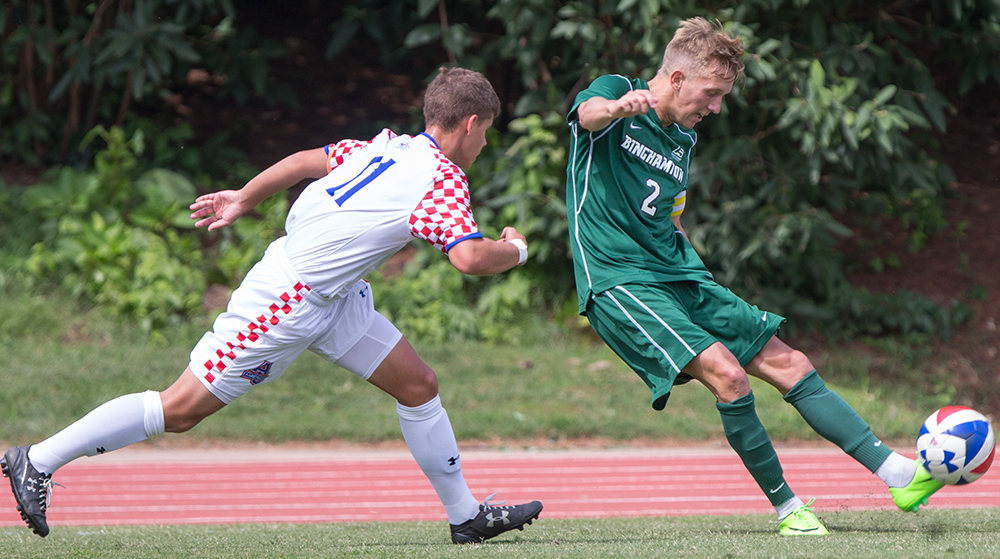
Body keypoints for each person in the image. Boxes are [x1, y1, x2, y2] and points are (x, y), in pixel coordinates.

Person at [2, 67, 542, 544]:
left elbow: (310, 159)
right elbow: (471, 259)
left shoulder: (388, 145)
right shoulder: (441, 179)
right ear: (471, 123)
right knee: (181, 409)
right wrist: (515, 249)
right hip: (288, 298)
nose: (484, 145)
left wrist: (245, 196)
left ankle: (466, 517)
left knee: (418, 385)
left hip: (335, 294)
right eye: (487, 133)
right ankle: (38, 460)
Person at [564, 17, 942, 536]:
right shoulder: (618, 93)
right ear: (676, 79)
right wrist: (615, 109)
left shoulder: (683, 140)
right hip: (618, 280)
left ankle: (900, 475)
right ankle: (790, 510)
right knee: (730, 375)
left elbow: (670, 217)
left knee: (791, 362)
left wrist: (697, 276)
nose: (716, 107)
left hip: (679, 275)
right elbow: (587, 114)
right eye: (711, 93)